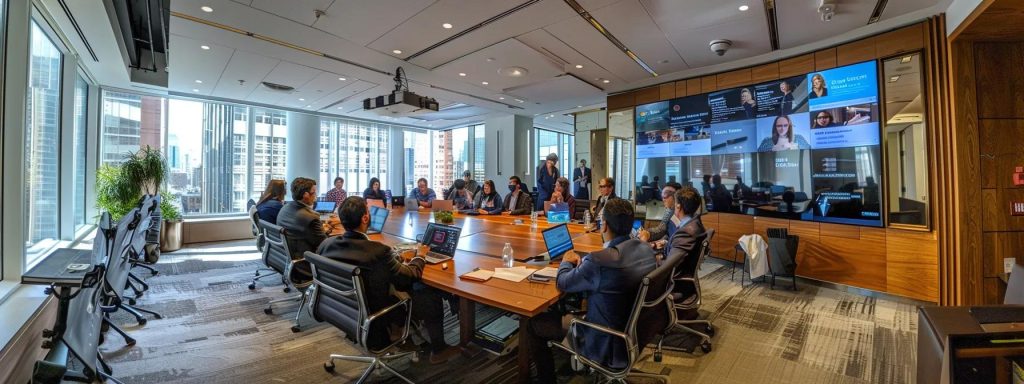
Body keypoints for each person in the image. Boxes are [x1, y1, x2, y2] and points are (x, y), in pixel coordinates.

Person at [316, 196, 462, 364]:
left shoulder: (326, 244)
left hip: (340, 309)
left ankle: (412, 336)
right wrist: (420, 256)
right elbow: (407, 278)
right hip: (376, 315)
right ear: (365, 218)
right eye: (368, 212)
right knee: (430, 295)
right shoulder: (378, 252)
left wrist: (393, 260)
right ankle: (439, 350)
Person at [526, 198, 657, 382]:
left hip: (605, 339)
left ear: (604, 226)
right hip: (636, 332)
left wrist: (565, 261)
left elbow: (563, 283)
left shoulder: (598, 261)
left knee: (533, 324)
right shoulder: (645, 249)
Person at [277, 177, 328, 261]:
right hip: (305, 260)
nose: (316, 196)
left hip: (284, 256)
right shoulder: (310, 217)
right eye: (314, 192)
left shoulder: (285, 207)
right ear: (306, 195)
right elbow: (324, 245)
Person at [665, 186, 707, 264]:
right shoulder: (695, 222)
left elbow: (670, 264)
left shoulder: (686, 232)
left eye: (675, 202)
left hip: (671, 272)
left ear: (678, 206)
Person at [637, 182, 681, 249]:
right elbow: (662, 229)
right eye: (662, 195)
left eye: (666, 194)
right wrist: (647, 233)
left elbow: (676, 241)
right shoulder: (669, 210)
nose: (663, 199)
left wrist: (655, 244)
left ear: (676, 196)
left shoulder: (682, 216)